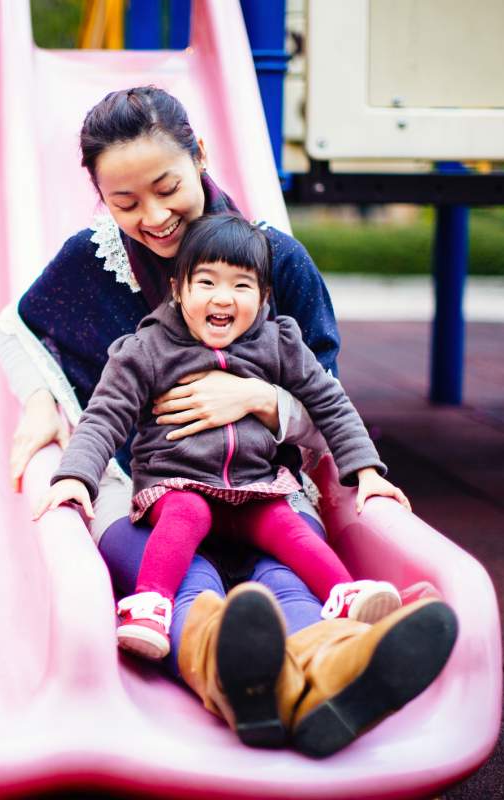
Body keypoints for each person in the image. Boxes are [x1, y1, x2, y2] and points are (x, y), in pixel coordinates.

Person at [0, 85, 457, 756]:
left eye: (166, 187)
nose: (154, 217)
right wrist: (44, 398)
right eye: (125, 203)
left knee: (288, 578)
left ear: (200, 156)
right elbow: (16, 330)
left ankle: (298, 681)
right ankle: (320, 682)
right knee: (185, 583)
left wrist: (259, 401)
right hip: (149, 497)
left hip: (264, 485)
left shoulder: (272, 263)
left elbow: (327, 399)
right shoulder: (95, 264)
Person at [31, 214, 408, 662]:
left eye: (241, 286)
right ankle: (150, 606)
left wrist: (365, 469)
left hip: (253, 488)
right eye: (206, 282)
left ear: (265, 296)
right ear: (179, 289)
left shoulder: (278, 342)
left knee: (286, 524)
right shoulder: (148, 350)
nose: (222, 298)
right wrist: (75, 476)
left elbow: (331, 403)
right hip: (177, 486)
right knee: (187, 514)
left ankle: (346, 593)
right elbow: (104, 416)